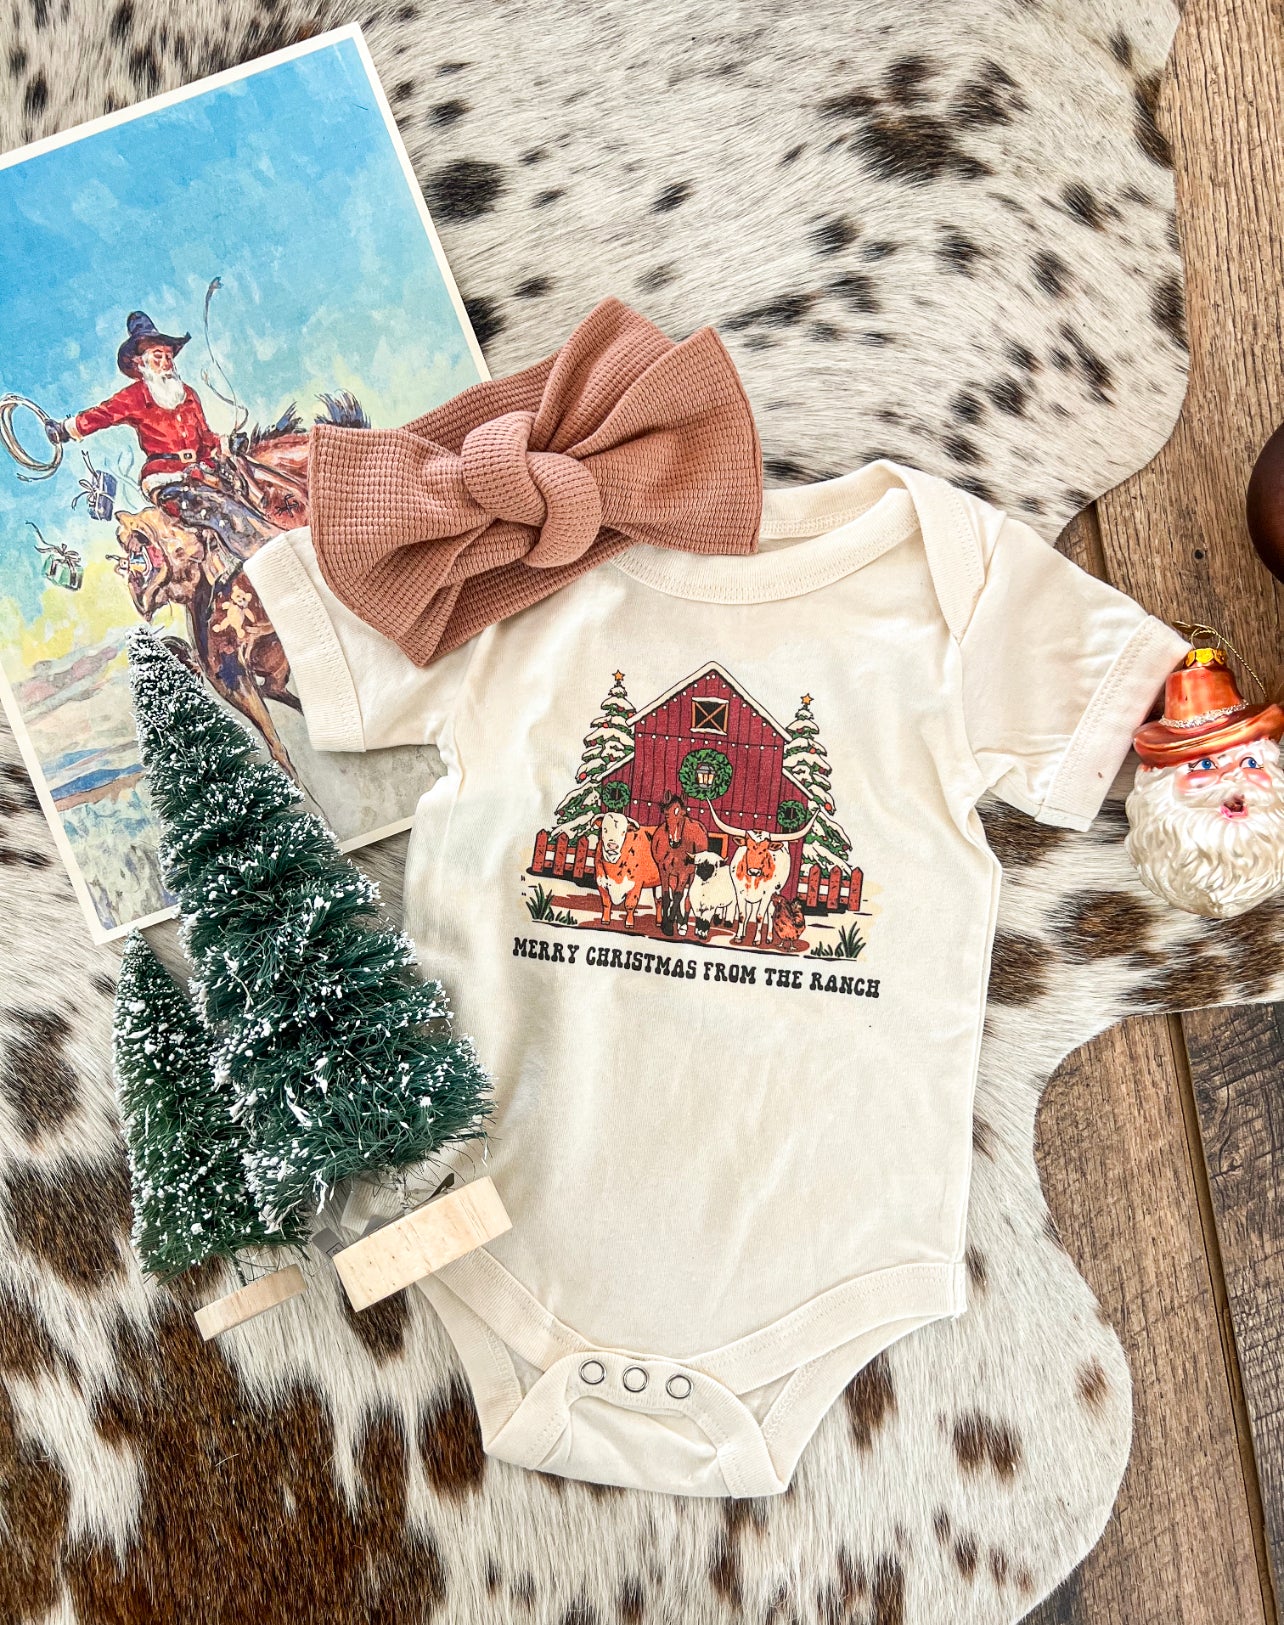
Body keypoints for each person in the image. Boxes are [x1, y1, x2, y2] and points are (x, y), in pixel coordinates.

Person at [45, 311, 229, 499]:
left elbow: (205, 437)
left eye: (168, 357)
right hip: (164, 477)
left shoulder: (188, 395)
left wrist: (225, 443)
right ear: (141, 362)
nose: (165, 363)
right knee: (189, 506)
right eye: (158, 357)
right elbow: (104, 414)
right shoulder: (135, 396)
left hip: (199, 473)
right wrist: (65, 429)